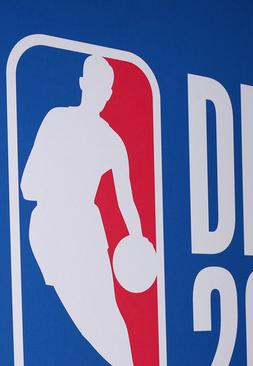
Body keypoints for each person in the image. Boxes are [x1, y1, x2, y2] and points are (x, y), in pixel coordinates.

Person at [21, 55, 141, 366]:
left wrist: (139, 241)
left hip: (85, 229)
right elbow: (27, 186)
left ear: (110, 93)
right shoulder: (57, 119)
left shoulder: (113, 141)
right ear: (83, 84)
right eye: (97, 85)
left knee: (106, 316)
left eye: (107, 88)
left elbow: (125, 200)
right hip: (50, 230)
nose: (101, 93)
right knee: (81, 317)